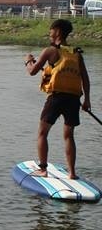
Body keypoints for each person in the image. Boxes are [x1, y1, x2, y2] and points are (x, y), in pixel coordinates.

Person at [24, 18, 91, 179]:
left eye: (51, 30)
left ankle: (43, 169)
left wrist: (28, 60)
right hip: (73, 99)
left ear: (58, 32)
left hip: (56, 98)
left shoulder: (50, 51)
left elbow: (32, 71)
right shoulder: (76, 53)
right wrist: (87, 100)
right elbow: (85, 78)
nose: (49, 32)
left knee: (42, 133)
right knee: (69, 135)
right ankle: (72, 173)